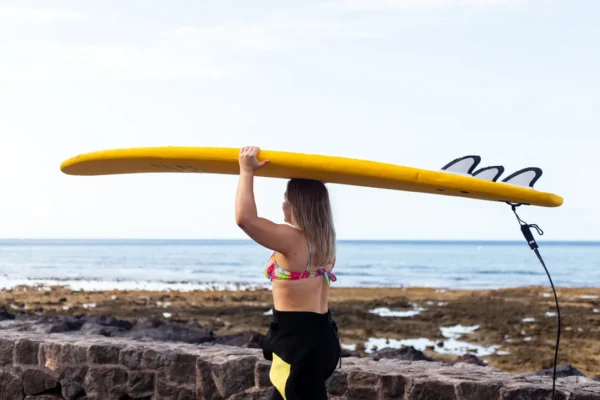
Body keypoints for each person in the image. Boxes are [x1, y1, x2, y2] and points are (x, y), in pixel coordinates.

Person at [235, 146, 342, 400]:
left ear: (297, 204)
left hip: (297, 347)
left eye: (286, 197)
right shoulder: (325, 243)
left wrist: (246, 170)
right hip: (323, 340)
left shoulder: (292, 240)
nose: (283, 202)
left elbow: (244, 219)